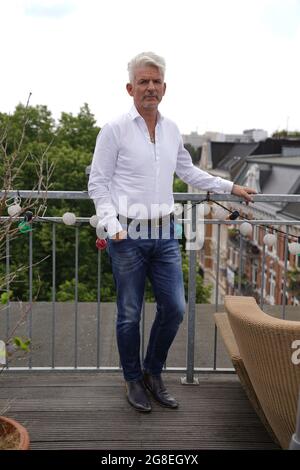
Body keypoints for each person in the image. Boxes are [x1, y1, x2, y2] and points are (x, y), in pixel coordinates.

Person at [88, 52, 256, 413]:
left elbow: (190, 172)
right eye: (144, 81)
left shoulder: (172, 129)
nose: (150, 87)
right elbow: (98, 184)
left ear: (164, 87)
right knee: (129, 312)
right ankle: (132, 379)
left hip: (165, 232)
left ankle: (153, 372)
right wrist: (113, 227)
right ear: (130, 87)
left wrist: (231, 188)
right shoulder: (113, 129)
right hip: (126, 236)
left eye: (156, 81)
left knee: (175, 308)